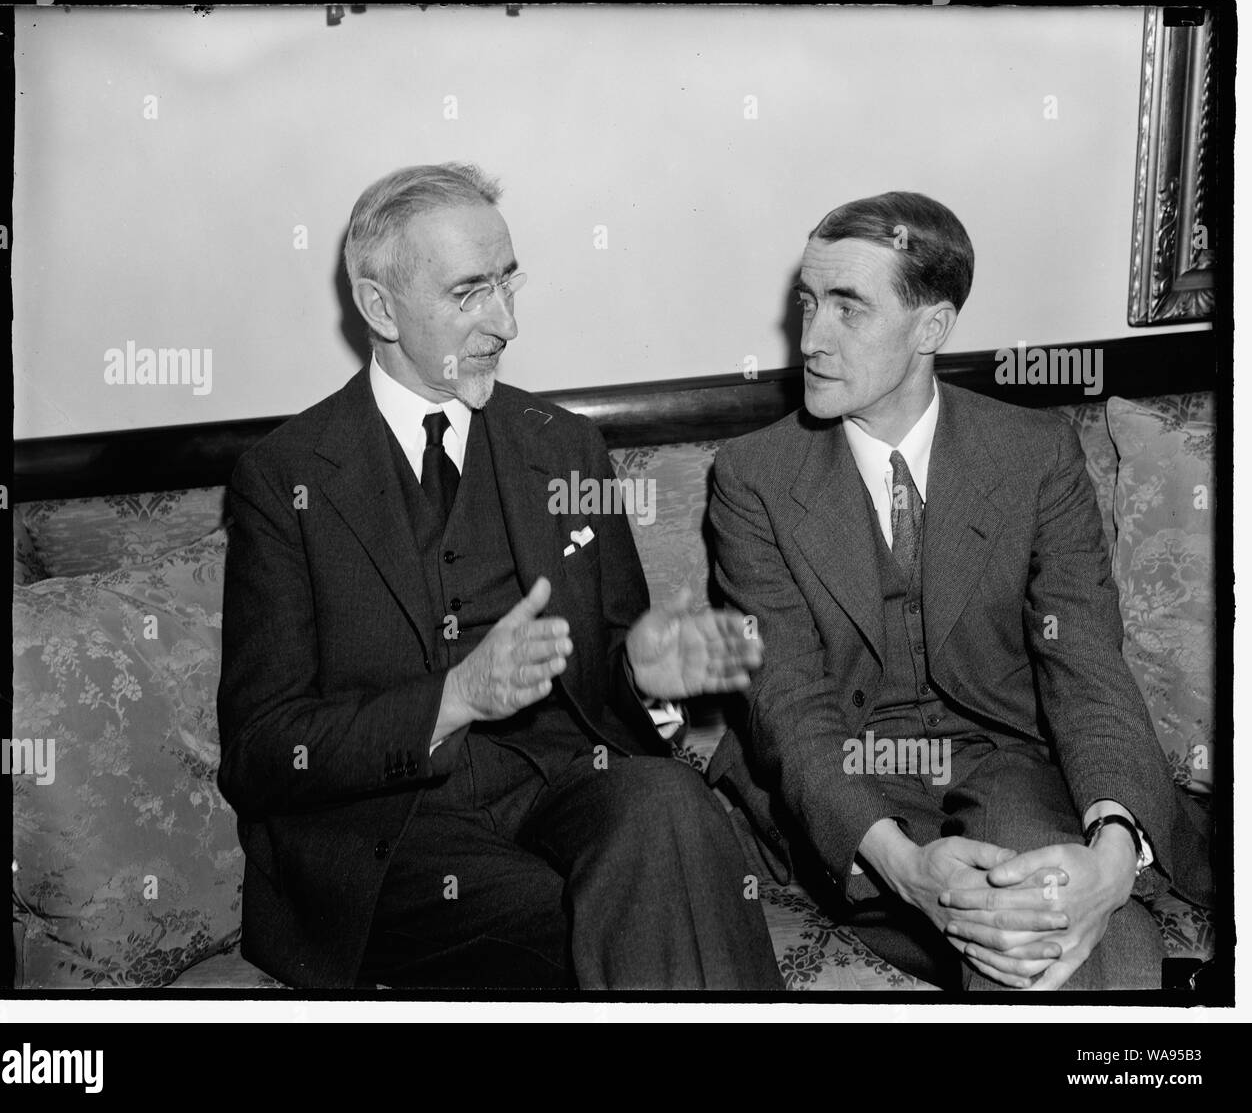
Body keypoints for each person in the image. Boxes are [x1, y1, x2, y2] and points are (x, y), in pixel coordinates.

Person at [216, 162, 782, 991]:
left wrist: (645, 671)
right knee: (592, 915)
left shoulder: (564, 446)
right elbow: (264, 750)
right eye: (470, 292)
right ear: (380, 308)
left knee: (670, 803)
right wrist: (456, 698)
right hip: (393, 834)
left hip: (561, 787)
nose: (506, 323)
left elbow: (617, 668)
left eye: (509, 284)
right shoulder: (286, 478)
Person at [708, 191, 1210, 991]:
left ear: (931, 329)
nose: (810, 338)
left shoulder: (1034, 454)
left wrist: (1115, 855)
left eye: (848, 308)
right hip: (849, 785)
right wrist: (905, 868)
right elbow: (789, 705)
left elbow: (1086, 666)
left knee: (1053, 925)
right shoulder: (753, 477)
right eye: (808, 303)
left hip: (1008, 763)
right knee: (1063, 945)